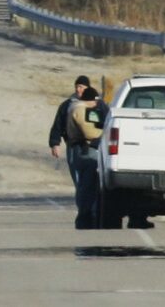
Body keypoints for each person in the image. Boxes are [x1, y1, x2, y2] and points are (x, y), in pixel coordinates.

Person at [66, 86, 103, 229]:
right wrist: (104, 133)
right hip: (85, 149)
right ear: (91, 100)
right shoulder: (80, 109)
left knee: (84, 185)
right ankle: (85, 216)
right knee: (87, 185)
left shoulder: (73, 107)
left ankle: (86, 215)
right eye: (95, 101)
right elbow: (89, 132)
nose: (96, 104)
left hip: (79, 149)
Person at [48, 75, 91, 186]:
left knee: (90, 173)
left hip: (91, 145)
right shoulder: (67, 105)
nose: (78, 89)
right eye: (76, 86)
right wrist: (55, 144)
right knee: (75, 173)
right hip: (73, 145)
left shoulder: (95, 104)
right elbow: (58, 125)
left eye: (81, 87)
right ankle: (81, 196)